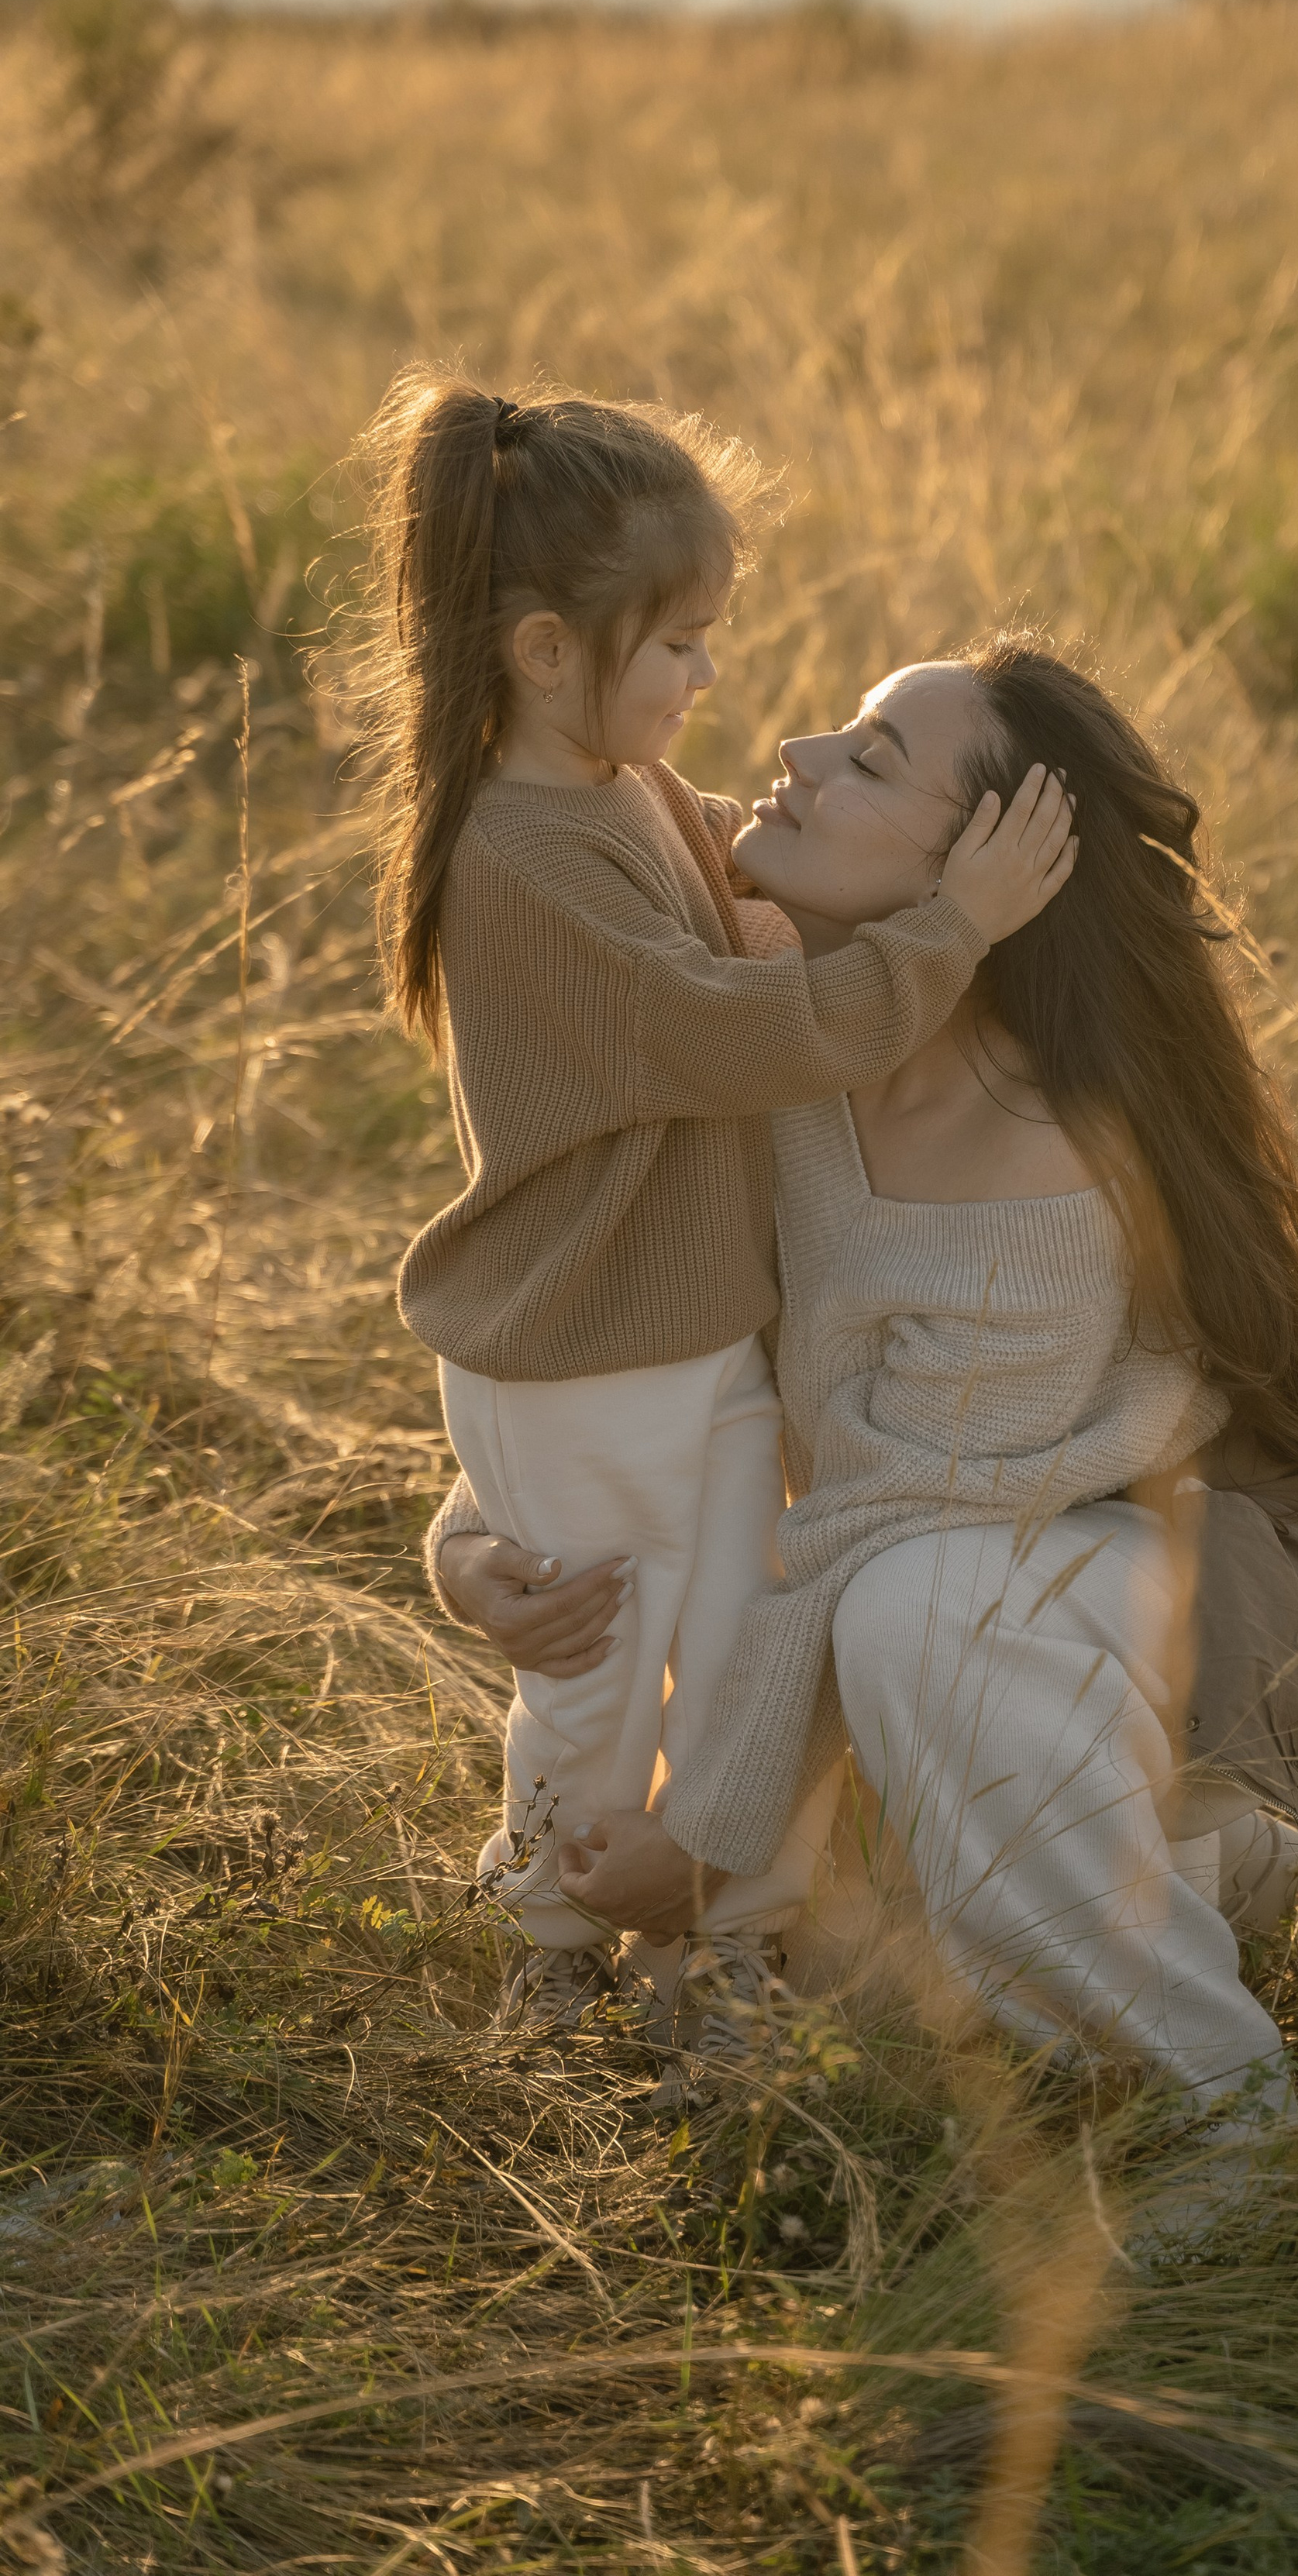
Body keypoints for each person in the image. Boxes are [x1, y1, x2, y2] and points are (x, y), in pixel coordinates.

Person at [436, 639, 1298, 2118]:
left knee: (926, 1617)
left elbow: (886, 1529)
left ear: (991, 870)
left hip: (1106, 1578)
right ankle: (1036, 1919)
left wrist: (710, 1836)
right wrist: (477, 1539)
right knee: (855, 1956)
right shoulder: (785, 1024)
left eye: (872, 758)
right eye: (846, 730)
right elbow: (623, 1301)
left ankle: (1221, 2102)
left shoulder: (1043, 1160)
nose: (797, 752)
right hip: (897, 1603)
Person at [364, 371, 1074, 2021]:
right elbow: (730, 1030)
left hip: (697, 1333)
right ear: (547, 650)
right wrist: (945, 928)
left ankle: (733, 1941)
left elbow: (745, 945)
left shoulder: (631, 797)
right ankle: (546, 1947)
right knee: (599, 1667)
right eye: (679, 643)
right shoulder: (518, 859)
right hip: (577, 1352)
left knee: (752, 1630)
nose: (709, 678)